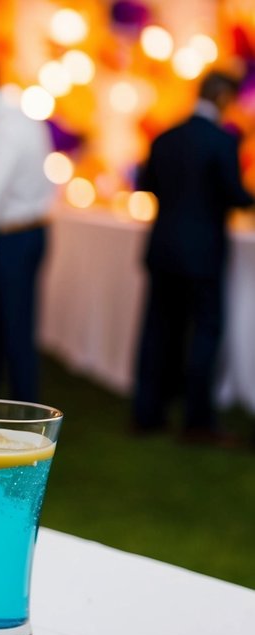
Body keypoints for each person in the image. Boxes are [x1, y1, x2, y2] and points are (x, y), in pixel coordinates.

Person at [133, 72, 254, 442]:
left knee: (157, 331)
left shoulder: (165, 136)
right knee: (204, 331)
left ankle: (147, 413)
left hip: (164, 248)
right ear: (221, 97)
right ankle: (197, 420)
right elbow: (235, 194)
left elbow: (145, 184)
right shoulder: (222, 140)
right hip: (202, 252)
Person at [0, 58, 55, 403]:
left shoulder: (5, 124)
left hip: (14, 235)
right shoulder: (21, 116)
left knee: (13, 324)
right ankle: (3, 398)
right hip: (30, 230)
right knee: (11, 322)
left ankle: (22, 405)